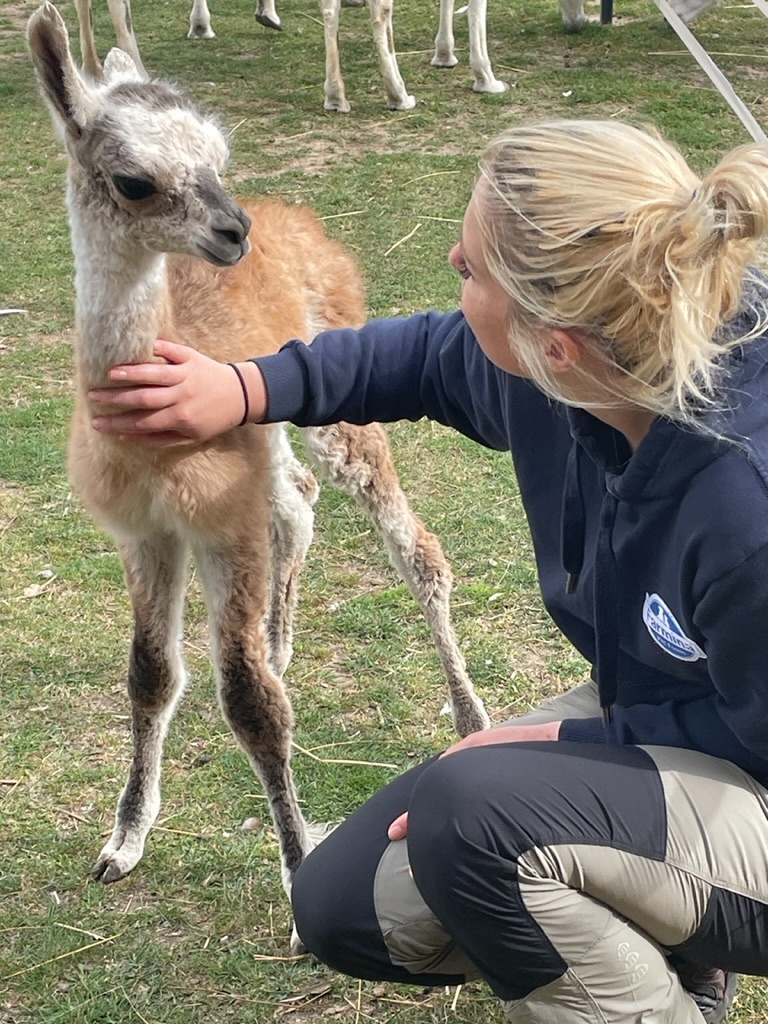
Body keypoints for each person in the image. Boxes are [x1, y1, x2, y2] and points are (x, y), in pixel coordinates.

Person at [87, 119, 768, 1023]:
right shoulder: (586, 367)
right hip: (672, 713)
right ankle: (667, 944)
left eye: (470, 270)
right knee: (347, 905)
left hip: (752, 768)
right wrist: (242, 388)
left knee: (477, 821)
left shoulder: (743, 504)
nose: (450, 260)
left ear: (553, 345)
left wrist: (565, 750)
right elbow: (418, 357)